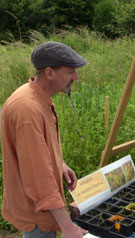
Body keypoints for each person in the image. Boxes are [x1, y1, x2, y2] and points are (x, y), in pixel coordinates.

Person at [1, 41, 88, 238]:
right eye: (70, 72)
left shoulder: (38, 98)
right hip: (38, 213)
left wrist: (60, 164)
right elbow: (39, 179)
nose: (75, 77)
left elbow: (40, 150)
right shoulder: (28, 109)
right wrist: (67, 227)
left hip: (41, 208)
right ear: (49, 73)